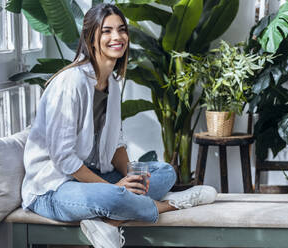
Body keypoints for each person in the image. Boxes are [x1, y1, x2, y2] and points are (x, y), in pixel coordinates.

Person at [21, 3, 217, 248]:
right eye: (107, 31)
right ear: (91, 38)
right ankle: (172, 204)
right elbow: (64, 159)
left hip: (94, 178)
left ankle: (109, 219)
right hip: (53, 190)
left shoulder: (113, 83)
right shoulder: (69, 83)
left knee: (165, 172)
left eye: (122, 30)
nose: (117, 37)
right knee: (115, 195)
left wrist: (131, 177)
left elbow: (116, 144)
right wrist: (115, 189)